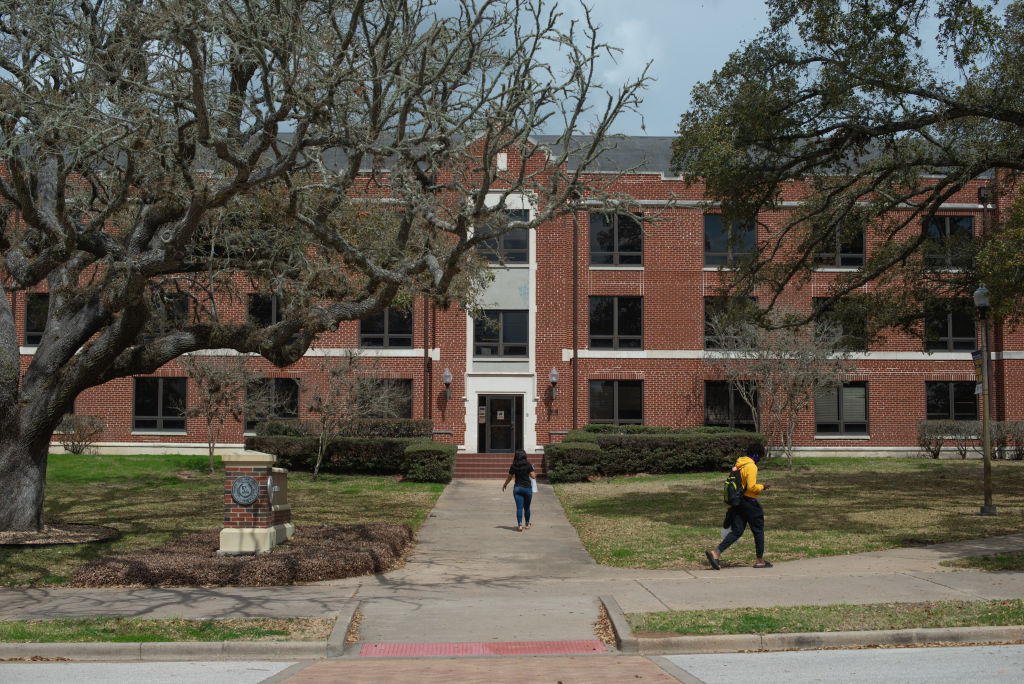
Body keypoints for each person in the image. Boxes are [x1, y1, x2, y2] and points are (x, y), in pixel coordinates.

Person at [706, 441, 773, 569]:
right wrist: (763, 487)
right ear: (756, 454)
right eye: (760, 456)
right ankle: (760, 560)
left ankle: (716, 553)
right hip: (749, 502)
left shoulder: (739, 464)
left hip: (738, 502)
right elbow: (751, 487)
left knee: (737, 531)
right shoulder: (751, 466)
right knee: (758, 529)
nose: (760, 459)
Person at [502, 449, 536, 532]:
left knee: (519, 508)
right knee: (527, 507)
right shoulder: (528, 465)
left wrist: (505, 484)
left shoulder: (513, 465)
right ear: (524, 456)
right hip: (527, 488)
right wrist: (532, 470)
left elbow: (510, 477)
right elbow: (533, 476)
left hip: (517, 488)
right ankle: (527, 524)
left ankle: (520, 525)